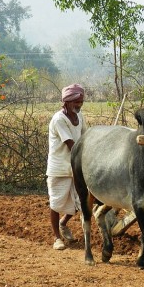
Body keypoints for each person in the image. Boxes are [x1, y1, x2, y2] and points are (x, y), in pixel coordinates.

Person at [46, 83, 87, 250]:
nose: (79, 105)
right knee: (56, 203)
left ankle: (64, 223)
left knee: (77, 203)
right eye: (76, 102)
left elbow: (86, 137)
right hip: (59, 168)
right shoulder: (59, 119)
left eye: (81, 102)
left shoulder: (80, 117)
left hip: (74, 167)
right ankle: (57, 238)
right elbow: (72, 145)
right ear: (67, 102)